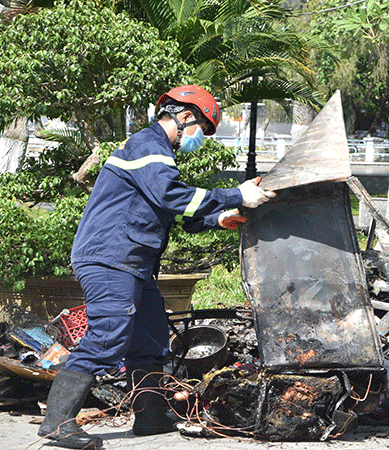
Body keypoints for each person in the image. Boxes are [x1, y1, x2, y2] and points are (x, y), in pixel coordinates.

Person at [37, 85, 276, 449]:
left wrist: (218, 218)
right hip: (110, 259)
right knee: (107, 336)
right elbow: (170, 195)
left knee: (149, 338)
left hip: (131, 263)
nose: (199, 139)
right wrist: (236, 195)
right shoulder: (148, 145)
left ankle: (149, 417)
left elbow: (171, 210)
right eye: (201, 130)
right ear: (185, 117)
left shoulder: (156, 152)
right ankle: (57, 423)